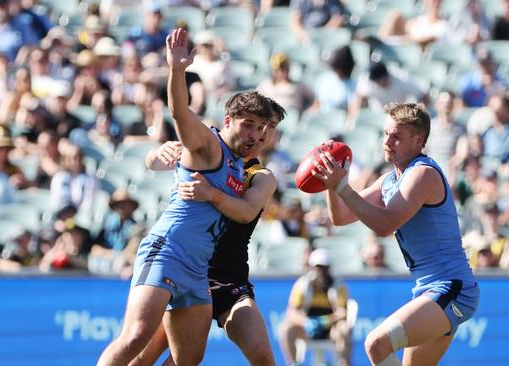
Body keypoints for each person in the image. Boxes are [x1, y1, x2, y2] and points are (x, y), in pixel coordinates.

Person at [96, 28, 274, 366]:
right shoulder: (209, 145)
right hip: (169, 251)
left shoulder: (245, 168)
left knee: (186, 361)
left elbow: (246, 210)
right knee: (135, 337)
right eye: (247, 125)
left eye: (259, 128)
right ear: (228, 121)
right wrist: (177, 70)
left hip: (198, 268)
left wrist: (206, 191)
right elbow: (180, 114)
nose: (253, 134)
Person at [310, 102, 479, 365]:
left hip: (452, 288)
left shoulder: (423, 174)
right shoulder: (390, 180)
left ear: (418, 140)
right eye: (385, 133)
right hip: (429, 290)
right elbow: (340, 217)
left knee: (377, 344)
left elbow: (385, 225)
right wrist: (331, 183)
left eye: (397, 136)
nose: (387, 142)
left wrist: (341, 186)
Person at [131, 90, 286, 366]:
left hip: (228, 278)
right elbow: (161, 160)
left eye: (269, 128)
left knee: (262, 353)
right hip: (189, 265)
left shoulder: (261, 177)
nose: (262, 134)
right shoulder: (214, 150)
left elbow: (246, 213)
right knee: (147, 354)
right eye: (256, 126)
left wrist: (212, 194)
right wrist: (158, 152)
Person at [279, 248, 352, 366]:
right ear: (312, 267)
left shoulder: (338, 286)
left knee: (344, 329)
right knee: (287, 329)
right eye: (318, 267)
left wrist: (325, 321)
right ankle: (293, 363)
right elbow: (291, 312)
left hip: (331, 329)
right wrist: (306, 322)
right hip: (307, 329)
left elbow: (343, 312)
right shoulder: (302, 285)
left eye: (325, 267)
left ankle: (344, 363)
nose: (321, 272)